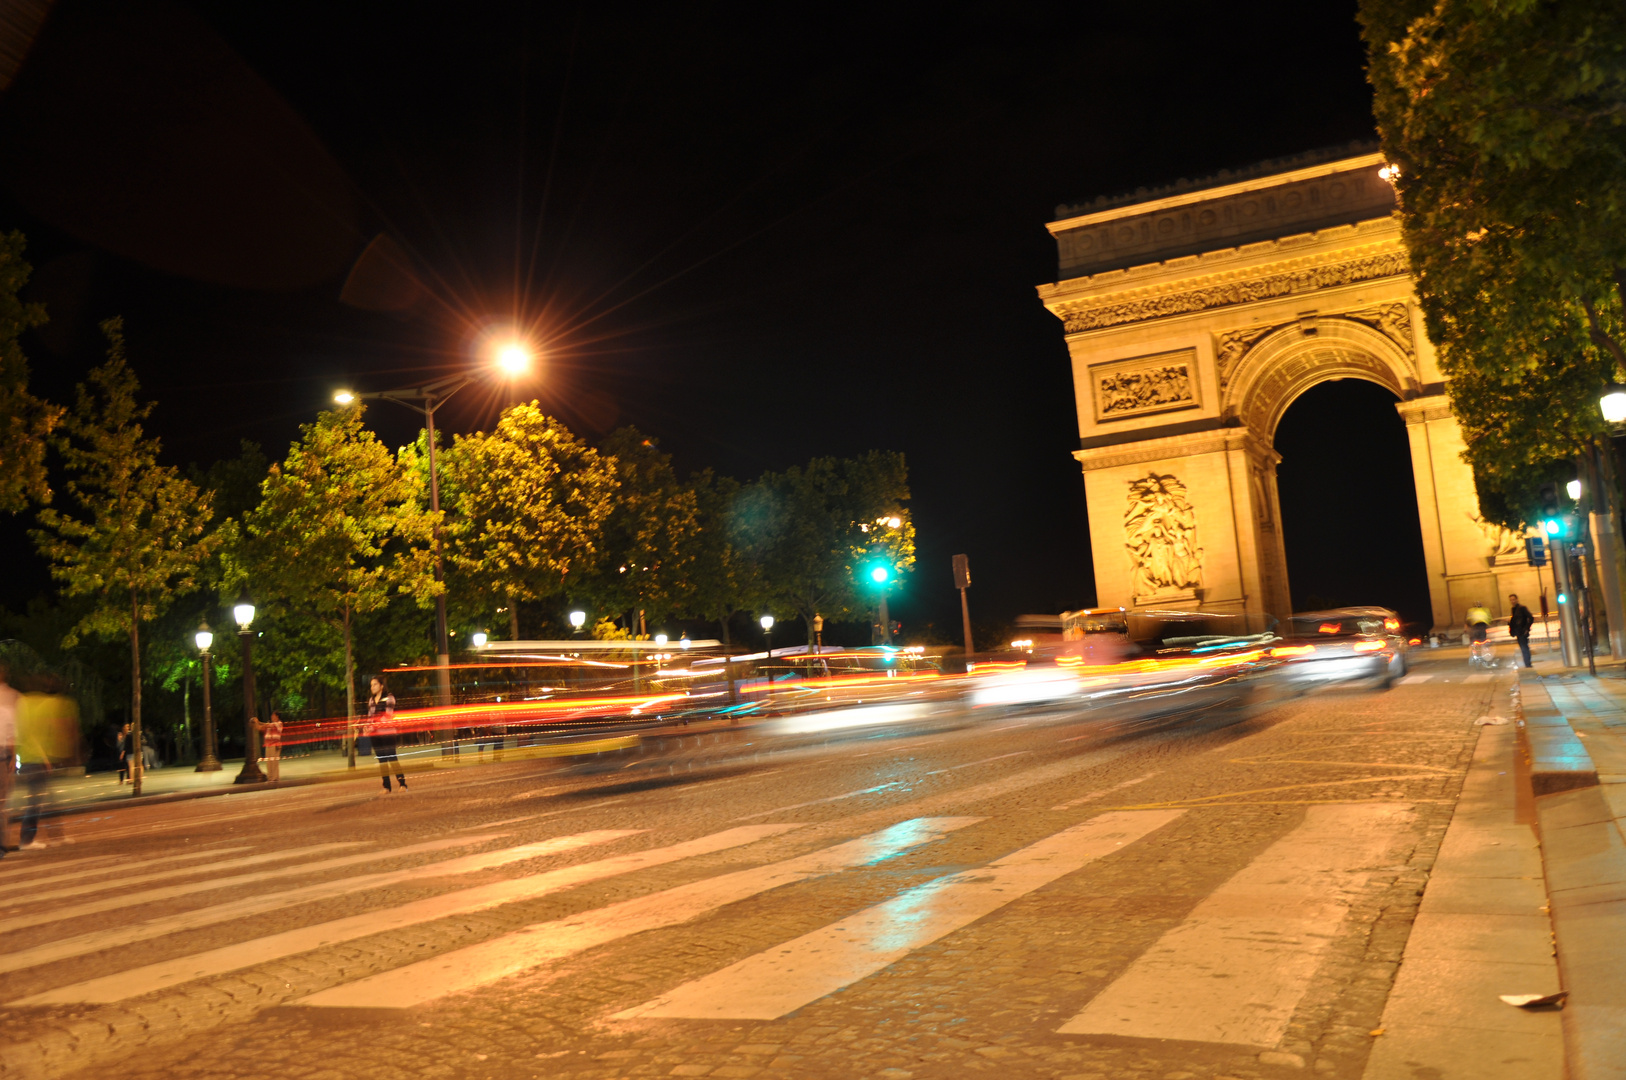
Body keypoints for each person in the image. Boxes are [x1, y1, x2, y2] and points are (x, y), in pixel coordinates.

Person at [367, 676, 406, 792]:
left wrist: (373, 725)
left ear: (381, 686)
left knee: (391, 757)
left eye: (375, 684)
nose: (372, 687)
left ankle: (402, 784)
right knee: (382, 760)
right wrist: (367, 727)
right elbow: (370, 716)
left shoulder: (389, 697)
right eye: (371, 685)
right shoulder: (371, 700)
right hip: (375, 734)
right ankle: (387, 786)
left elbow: (387, 715)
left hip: (388, 732)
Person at [0, 665, 18, 856]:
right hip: (1, 758)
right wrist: (13, 758)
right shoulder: (5, 710)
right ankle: (1, 845)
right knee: (1, 804)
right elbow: (12, 736)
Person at [254, 710, 284, 782]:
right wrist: (255, 724)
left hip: (275, 745)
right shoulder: (270, 724)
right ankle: (270, 777)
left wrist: (258, 722)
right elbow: (261, 728)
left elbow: (266, 725)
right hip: (268, 745)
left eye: (273, 715)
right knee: (269, 762)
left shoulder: (279, 724)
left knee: (274, 762)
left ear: (277, 716)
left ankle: (274, 778)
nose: (271, 716)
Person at [1508, 593, 1535, 669]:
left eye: (1513, 599)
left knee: (1524, 648)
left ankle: (1528, 664)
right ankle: (1527, 664)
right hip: (1518, 632)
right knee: (1523, 648)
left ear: (1517, 599)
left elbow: (1531, 618)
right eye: (1511, 600)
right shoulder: (1513, 609)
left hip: (1522, 631)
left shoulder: (1522, 608)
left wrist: (1526, 628)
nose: (1512, 601)